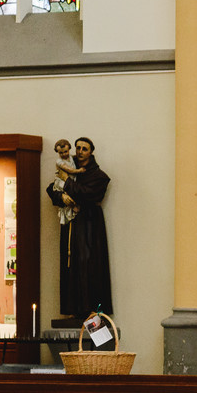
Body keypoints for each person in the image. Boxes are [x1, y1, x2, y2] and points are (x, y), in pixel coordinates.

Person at [46, 136, 112, 317]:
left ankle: (92, 310)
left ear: (91, 152)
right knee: (71, 263)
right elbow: (52, 189)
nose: (80, 152)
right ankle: (73, 309)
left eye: (84, 148)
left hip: (90, 225)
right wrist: (62, 198)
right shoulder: (68, 168)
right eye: (78, 148)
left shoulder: (99, 177)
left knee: (89, 264)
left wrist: (68, 182)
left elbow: (88, 195)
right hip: (72, 225)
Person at [51, 138, 83, 226]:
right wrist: (79, 171)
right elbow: (69, 169)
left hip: (71, 179)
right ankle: (72, 207)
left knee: (72, 192)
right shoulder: (59, 161)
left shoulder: (72, 158)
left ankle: (73, 206)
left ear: (69, 149)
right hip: (62, 181)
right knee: (66, 192)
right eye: (61, 153)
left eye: (65, 151)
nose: (64, 154)